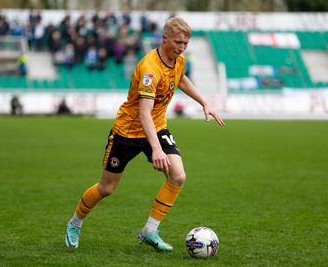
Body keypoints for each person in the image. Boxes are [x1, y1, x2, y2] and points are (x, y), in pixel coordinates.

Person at [64, 16, 225, 252]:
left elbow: (181, 79)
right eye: (178, 42)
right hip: (127, 131)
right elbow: (143, 113)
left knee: (178, 176)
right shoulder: (150, 67)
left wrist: (204, 102)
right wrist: (157, 149)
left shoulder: (178, 60)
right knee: (106, 188)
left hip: (157, 127)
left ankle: (149, 231)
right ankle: (75, 223)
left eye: (185, 44)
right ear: (165, 38)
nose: (181, 48)